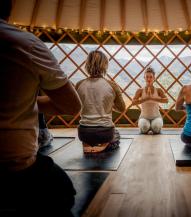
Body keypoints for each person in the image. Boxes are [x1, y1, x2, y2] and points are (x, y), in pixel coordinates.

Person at [0, 0, 82, 216]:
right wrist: (23, 100)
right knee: (63, 192)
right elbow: (72, 105)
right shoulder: (24, 43)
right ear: (8, 8)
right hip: (14, 167)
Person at [76, 50, 125, 153]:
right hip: (105, 132)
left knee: (89, 133)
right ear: (105, 65)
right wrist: (109, 104)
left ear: (87, 64)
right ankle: (104, 145)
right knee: (116, 134)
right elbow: (121, 109)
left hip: (83, 132)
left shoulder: (79, 85)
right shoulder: (112, 85)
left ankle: (86, 143)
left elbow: (75, 108)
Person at [132, 67, 168, 134]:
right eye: (147, 77)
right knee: (144, 128)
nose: (149, 79)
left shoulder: (158, 90)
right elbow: (133, 102)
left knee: (156, 128)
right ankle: (148, 127)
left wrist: (152, 98)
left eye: (151, 77)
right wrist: (146, 99)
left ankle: (153, 126)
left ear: (154, 78)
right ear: (144, 78)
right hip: (144, 117)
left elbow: (166, 100)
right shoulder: (140, 90)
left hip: (156, 117)